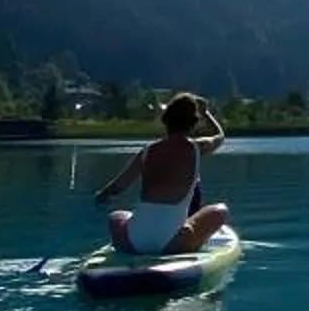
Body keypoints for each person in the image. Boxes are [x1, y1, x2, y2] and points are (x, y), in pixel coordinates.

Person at [94, 92, 231, 255]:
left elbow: (117, 187)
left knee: (116, 216)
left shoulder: (147, 151)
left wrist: (101, 195)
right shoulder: (197, 148)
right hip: (171, 244)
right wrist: (205, 113)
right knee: (220, 210)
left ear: (166, 121)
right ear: (193, 123)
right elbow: (220, 136)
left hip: (134, 241)